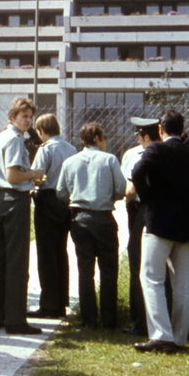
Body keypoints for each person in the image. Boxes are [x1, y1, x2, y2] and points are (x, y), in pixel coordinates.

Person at [130, 110, 189, 353]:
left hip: (160, 223)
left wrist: (149, 197)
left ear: (161, 130)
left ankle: (161, 334)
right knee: (183, 281)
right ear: (183, 129)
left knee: (151, 277)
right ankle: (179, 337)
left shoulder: (155, 150)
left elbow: (137, 172)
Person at [57, 123, 127, 330]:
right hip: (104, 216)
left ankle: (88, 318)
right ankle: (109, 318)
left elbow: (61, 192)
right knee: (108, 269)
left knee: (85, 269)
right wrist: (109, 196)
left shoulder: (70, 162)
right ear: (97, 137)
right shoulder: (110, 159)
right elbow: (121, 189)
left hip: (80, 218)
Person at [0, 97, 45, 335]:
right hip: (13, 199)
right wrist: (34, 174)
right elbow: (13, 176)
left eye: (30, 117)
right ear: (12, 117)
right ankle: (15, 320)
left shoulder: (0, 137)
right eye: (24, 117)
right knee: (16, 262)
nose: (28, 121)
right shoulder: (14, 140)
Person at [30, 113, 76, 320]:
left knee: (46, 253)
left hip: (48, 200)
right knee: (61, 252)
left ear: (41, 131)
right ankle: (62, 301)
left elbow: (37, 176)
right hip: (66, 202)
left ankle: (49, 304)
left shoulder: (45, 149)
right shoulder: (71, 148)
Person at [120, 116, 161, 335]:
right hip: (163, 211)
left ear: (144, 136)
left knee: (138, 264)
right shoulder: (168, 153)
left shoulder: (133, 155)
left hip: (140, 210)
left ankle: (140, 321)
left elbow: (129, 191)